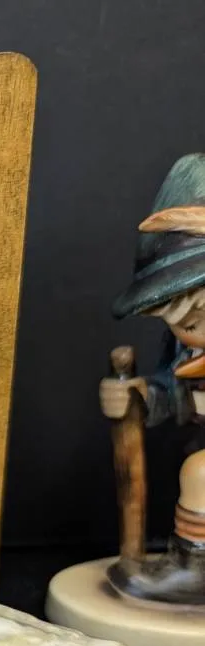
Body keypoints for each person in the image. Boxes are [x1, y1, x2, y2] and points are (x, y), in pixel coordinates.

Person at [101, 154, 205, 604]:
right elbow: (178, 394)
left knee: (202, 473)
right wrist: (140, 397)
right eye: (187, 323)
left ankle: (195, 570)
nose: (194, 333)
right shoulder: (186, 352)